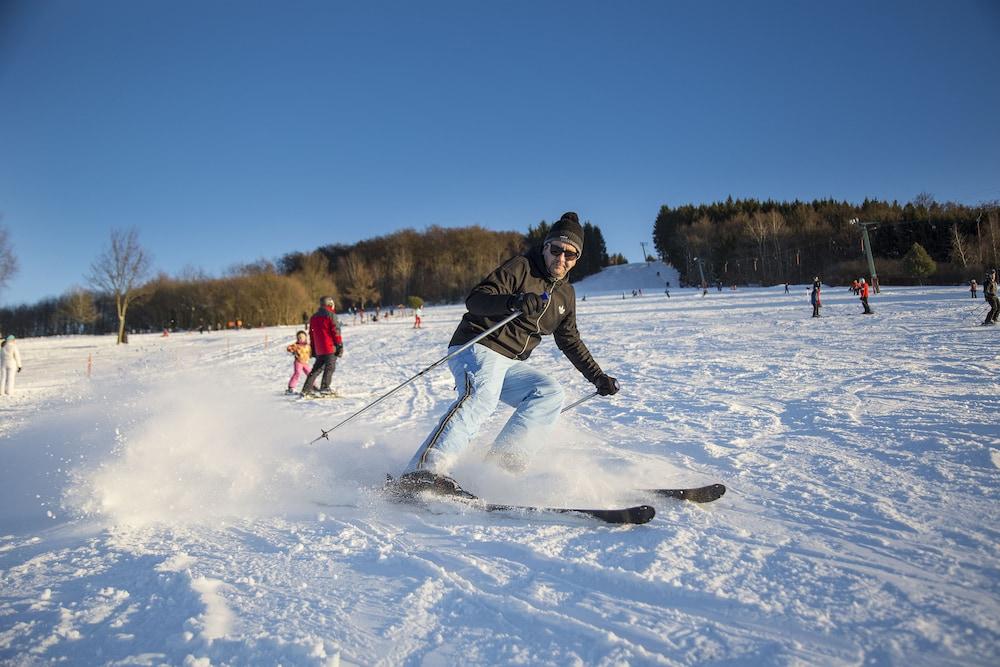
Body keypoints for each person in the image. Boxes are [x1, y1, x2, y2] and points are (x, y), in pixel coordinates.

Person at [401, 212, 619, 482]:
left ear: (577, 259)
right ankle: (424, 473)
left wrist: (597, 376)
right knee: (483, 395)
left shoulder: (566, 294)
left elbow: (570, 339)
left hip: (510, 363)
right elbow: (476, 300)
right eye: (556, 250)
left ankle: (499, 469)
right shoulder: (522, 267)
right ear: (546, 247)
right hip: (478, 344)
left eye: (570, 254)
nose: (561, 259)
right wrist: (514, 302)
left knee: (549, 393)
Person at [302, 296, 344, 396]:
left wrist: (313, 348)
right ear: (330, 304)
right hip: (330, 347)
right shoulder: (331, 315)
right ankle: (325, 387)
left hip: (319, 348)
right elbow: (336, 332)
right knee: (330, 367)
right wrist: (339, 345)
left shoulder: (313, 317)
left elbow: (311, 334)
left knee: (316, 369)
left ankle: (306, 388)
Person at [285, 330, 313, 395]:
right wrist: (292, 350)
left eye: (302, 337)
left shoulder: (308, 346)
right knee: (297, 373)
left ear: (305, 338)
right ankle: (291, 387)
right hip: (298, 362)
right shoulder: (296, 345)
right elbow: (289, 348)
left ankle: (313, 386)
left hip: (305, 362)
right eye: (299, 337)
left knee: (310, 374)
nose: (301, 339)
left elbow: (311, 353)